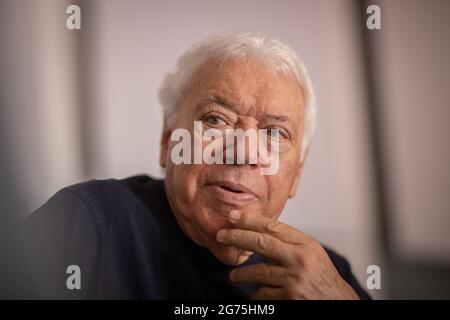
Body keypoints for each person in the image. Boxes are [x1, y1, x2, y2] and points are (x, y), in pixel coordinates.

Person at [24, 33, 370, 299]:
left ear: (297, 174)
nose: (243, 152)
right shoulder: (88, 222)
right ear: (167, 140)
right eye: (216, 120)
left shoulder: (327, 275)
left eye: (275, 133)